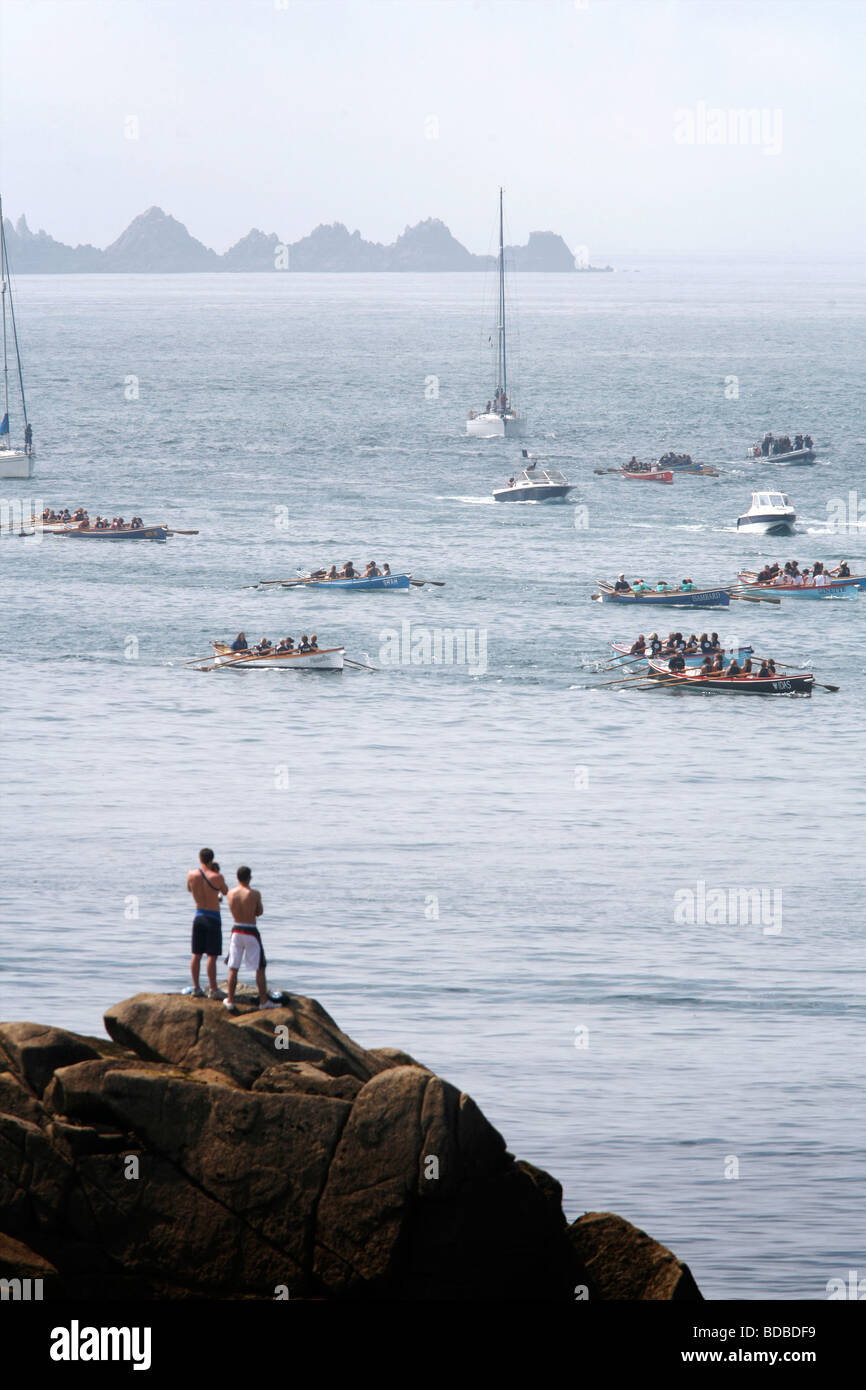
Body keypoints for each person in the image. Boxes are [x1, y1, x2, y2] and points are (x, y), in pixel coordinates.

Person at [224, 867, 279, 1014]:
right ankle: (263, 1001)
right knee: (260, 967)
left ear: (237, 878)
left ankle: (230, 1000)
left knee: (233, 967)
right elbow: (259, 912)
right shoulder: (254, 894)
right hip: (250, 931)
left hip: (236, 930)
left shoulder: (230, 893)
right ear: (249, 878)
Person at [187, 848, 229, 999]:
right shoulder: (217, 877)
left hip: (198, 916)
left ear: (200, 858)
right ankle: (213, 989)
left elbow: (189, 889)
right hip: (213, 917)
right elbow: (224, 892)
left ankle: (196, 988)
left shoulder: (191, 874)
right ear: (212, 859)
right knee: (211, 956)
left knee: (196, 954)